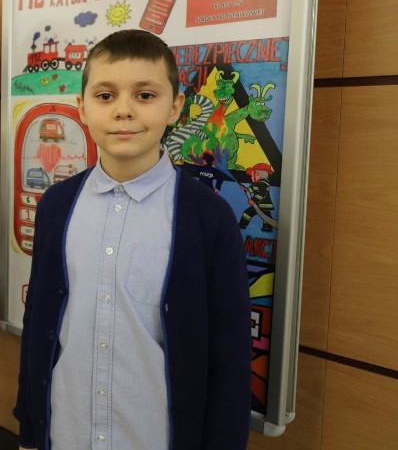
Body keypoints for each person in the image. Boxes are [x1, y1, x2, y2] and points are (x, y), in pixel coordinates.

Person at [14, 29, 251, 450]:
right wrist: (31, 431)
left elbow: (229, 356)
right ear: (82, 108)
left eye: (145, 95)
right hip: (66, 434)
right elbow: (39, 327)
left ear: (175, 107)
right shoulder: (56, 205)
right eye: (105, 96)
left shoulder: (208, 217)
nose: (124, 111)